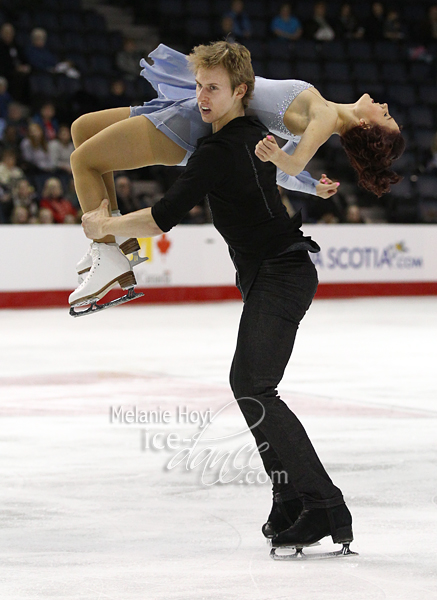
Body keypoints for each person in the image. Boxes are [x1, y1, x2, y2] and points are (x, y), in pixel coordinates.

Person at [76, 40, 355, 555]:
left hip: (282, 272)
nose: (202, 98)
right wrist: (310, 184)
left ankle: (322, 505)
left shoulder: (219, 149)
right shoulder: (250, 136)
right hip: (267, 273)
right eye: (199, 87)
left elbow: (162, 217)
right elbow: (279, 169)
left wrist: (104, 226)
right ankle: (291, 499)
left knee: (253, 385)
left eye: (213, 89)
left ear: (240, 92)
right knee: (248, 383)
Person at [68, 42, 404, 283]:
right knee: (82, 129)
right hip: (199, 102)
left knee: (84, 161)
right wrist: (313, 187)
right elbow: (286, 172)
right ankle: (119, 244)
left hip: (195, 122)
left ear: (366, 126)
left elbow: (290, 165)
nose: (384, 104)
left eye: (385, 115)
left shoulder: (326, 116)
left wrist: (284, 162)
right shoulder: (322, 109)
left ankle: (108, 253)